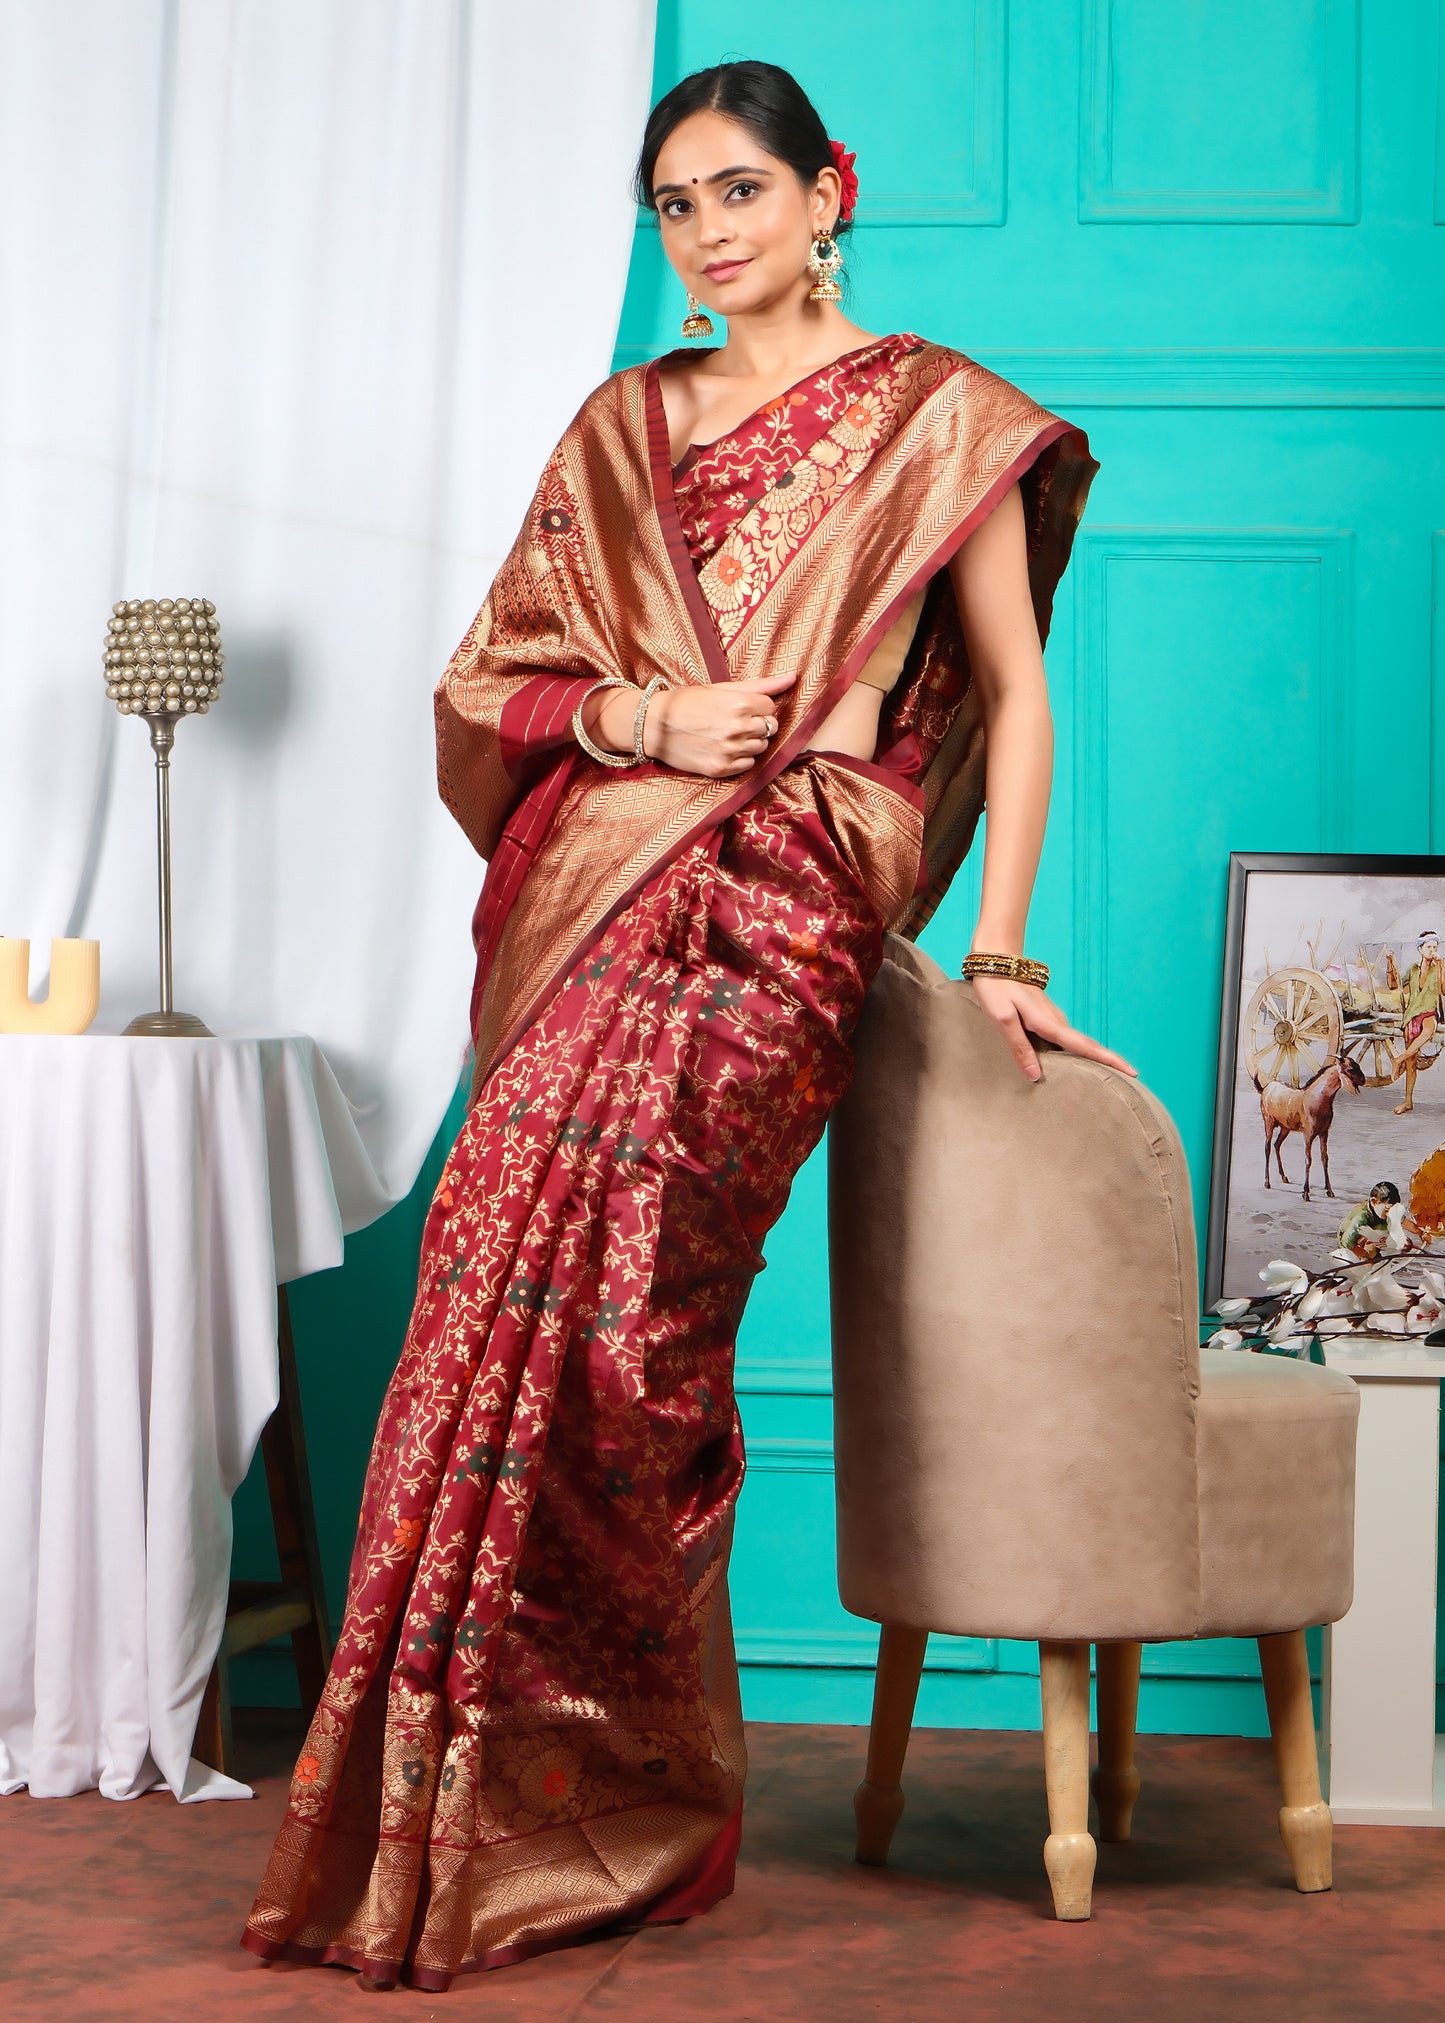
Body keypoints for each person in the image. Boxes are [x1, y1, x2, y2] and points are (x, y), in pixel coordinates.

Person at [242, 60, 1131, 1991]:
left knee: (639, 1335)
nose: (709, 234)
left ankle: (612, 1800)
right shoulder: (624, 426)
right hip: (601, 895)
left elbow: (1010, 694)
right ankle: (443, 1810)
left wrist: (1000, 949)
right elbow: (496, 677)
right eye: (675, 206)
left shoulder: (942, 418)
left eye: (741, 191)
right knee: (484, 1297)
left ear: (833, 192)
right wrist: (646, 722)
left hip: (788, 908)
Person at [1393, 930, 1443, 1114]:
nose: (1432, 950)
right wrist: (1391, 963)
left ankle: (1399, 1058)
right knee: (1411, 1063)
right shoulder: (1413, 969)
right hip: (1412, 1015)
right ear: (1420, 949)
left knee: (1428, 1031)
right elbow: (1394, 984)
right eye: (1429, 947)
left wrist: (1442, 964)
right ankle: (1408, 1101)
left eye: (1435, 947)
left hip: (1429, 1013)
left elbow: (1444, 990)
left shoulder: (1438, 968)